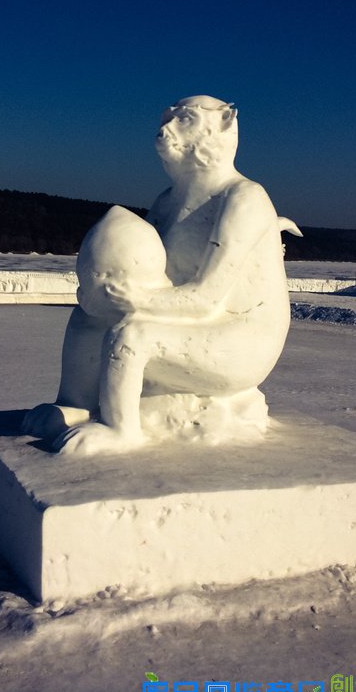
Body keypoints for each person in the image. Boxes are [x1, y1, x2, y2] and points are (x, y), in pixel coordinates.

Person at [24, 95, 300, 454]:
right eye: (167, 119)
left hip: (239, 339)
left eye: (184, 120)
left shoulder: (244, 197)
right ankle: (74, 404)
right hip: (188, 320)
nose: (166, 129)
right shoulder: (166, 201)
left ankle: (121, 429)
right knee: (87, 318)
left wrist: (140, 300)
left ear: (224, 124)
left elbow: (207, 299)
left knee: (133, 336)